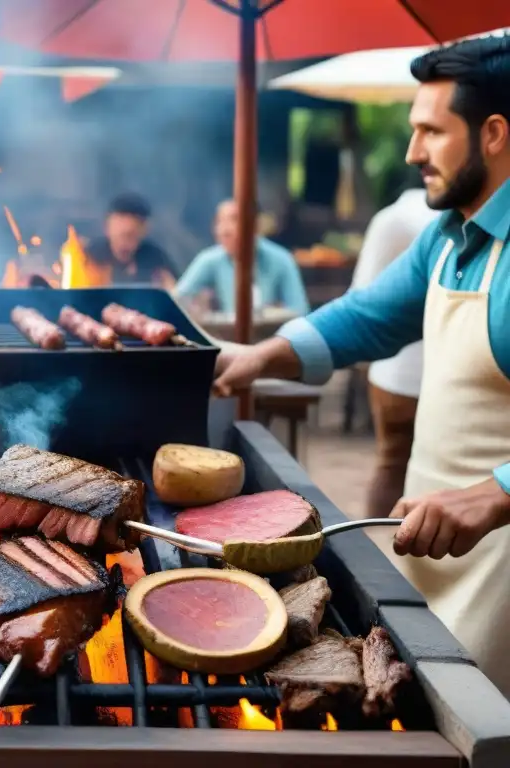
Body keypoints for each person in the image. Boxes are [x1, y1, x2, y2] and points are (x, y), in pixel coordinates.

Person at [214, 35, 510, 697]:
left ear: (493, 134)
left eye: (431, 131)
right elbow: (369, 315)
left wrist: (497, 491)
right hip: (437, 555)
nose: (411, 152)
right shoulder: (449, 233)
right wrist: (259, 357)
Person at [349, 173, 439, 518]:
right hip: (437, 369)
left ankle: (379, 552)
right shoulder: (455, 216)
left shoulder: (391, 218)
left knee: (390, 462)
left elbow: (362, 295)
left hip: (395, 373)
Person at [175, 199, 310, 316]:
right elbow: (179, 298)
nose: (224, 230)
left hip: (273, 337)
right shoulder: (210, 259)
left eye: (234, 220)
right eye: (219, 221)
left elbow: (300, 310)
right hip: (227, 337)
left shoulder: (282, 259)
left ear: (255, 225)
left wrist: (276, 312)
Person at [83, 192, 178, 289]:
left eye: (131, 236)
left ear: (144, 231)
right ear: (107, 228)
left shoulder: (157, 262)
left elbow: (177, 296)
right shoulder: (88, 258)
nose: (124, 243)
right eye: (120, 236)